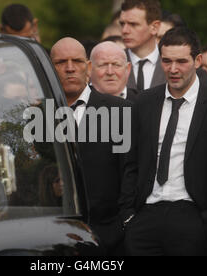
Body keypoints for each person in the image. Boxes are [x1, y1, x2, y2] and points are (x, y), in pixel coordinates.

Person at [120, 27, 207, 256]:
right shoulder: (144, 103)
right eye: (166, 61)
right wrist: (128, 215)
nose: (173, 69)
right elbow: (132, 163)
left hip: (194, 216)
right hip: (144, 215)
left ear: (197, 60)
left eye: (181, 61)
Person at [50, 37, 132, 255]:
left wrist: (121, 227)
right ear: (49, 68)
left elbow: (132, 175)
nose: (69, 69)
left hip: (110, 240)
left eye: (76, 61)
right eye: (61, 62)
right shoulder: (38, 115)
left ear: (87, 67)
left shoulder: (121, 112)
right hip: (52, 239)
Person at [119, 0, 164, 91]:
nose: (124, 30)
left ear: (154, 27)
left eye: (133, 24)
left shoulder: (172, 63)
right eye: (122, 24)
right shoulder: (112, 63)